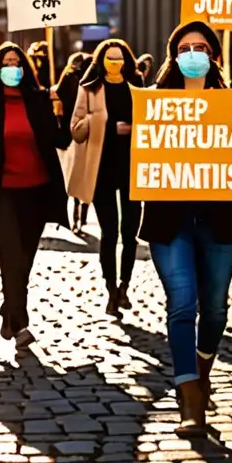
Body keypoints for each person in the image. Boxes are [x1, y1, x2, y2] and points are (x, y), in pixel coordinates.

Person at [141, 21, 232, 437]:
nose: (193, 53)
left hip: (221, 219)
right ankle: (189, 397)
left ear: (214, 55)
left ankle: (201, 366)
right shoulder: (155, 103)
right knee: (182, 305)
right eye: (185, 47)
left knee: (214, 307)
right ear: (173, 56)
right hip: (170, 218)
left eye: (201, 47)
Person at [0, 43, 70, 347]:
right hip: (2, 194)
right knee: (11, 257)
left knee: (24, 260)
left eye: (17, 62)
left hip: (36, 193)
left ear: (25, 69)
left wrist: (58, 111)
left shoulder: (38, 100)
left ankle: (10, 308)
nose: (13, 67)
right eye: (6, 62)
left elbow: (60, 141)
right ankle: (21, 325)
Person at [69, 40, 144, 316]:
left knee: (130, 233)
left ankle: (125, 285)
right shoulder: (89, 89)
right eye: (110, 59)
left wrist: (133, 128)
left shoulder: (138, 87)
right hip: (101, 169)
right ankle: (110, 289)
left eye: (119, 58)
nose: (115, 63)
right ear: (101, 61)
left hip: (132, 168)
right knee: (109, 232)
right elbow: (75, 129)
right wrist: (98, 121)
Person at [55, 52, 91, 231]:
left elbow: (58, 99)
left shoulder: (68, 77)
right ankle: (80, 217)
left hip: (69, 135)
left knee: (70, 177)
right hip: (87, 133)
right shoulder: (91, 79)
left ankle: (73, 218)